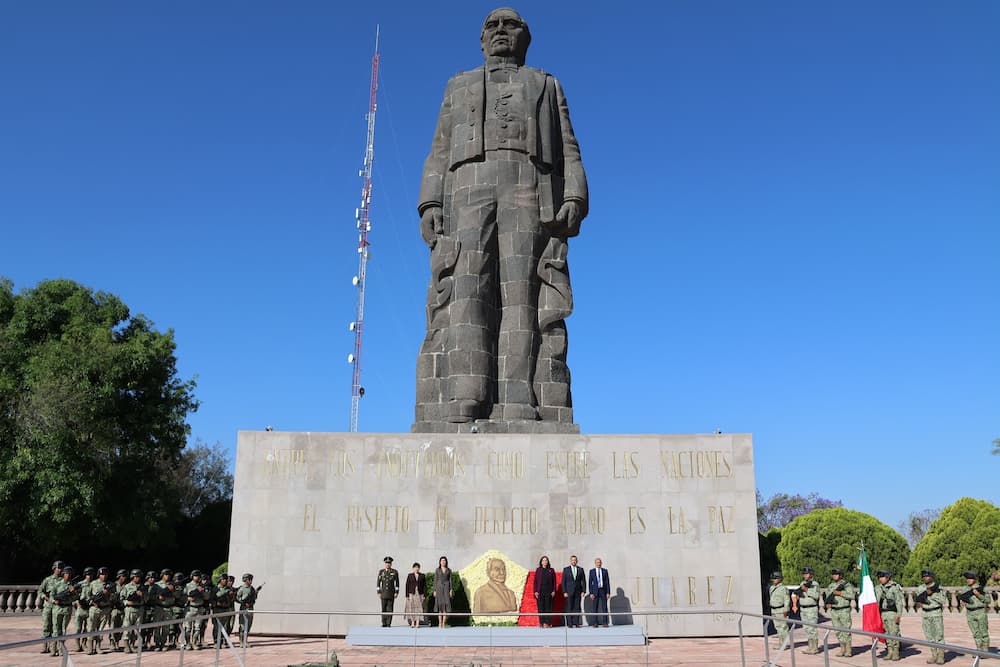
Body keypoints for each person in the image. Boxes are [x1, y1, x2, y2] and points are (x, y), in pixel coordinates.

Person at [413, 6, 589, 428]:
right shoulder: (459, 85)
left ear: (525, 37)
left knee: (522, 292)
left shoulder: (546, 85)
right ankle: (465, 392)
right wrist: (430, 203)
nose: (500, 31)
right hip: (467, 188)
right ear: (481, 40)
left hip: (528, 186)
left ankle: (517, 397)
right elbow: (438, 150)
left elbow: (569, 147)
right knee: (467, 287)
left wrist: (574, 196)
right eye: (491, 26)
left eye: (510, 25)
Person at [915, 569, 947, 665]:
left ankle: (941, 656)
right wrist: (920, 602)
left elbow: (943, 601)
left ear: (932, 577)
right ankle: (934, 655)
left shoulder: (939, 588)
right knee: (929, 636)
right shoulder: (920, 588)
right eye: (924, 576)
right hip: (925, 614)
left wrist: (932, 594)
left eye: (927, 576)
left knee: (939, 636)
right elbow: (918, 602)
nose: (925, 578)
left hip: (936, 613)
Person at [49, 565, 80, 656]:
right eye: (66, 573)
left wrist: (73, 592)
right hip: (57, 608)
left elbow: (76, 597)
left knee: (63, 629)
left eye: (70, 574)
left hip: (67, 608)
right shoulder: (57, 584)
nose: (68, 575)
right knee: (55, 629)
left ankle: (61, 648)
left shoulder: (72, 586)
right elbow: (51, 595)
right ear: (63, 574)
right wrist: (54, 601)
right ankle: (53, 649)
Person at [824, 568, 855, 657]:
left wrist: (840, 593)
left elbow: (852, 596)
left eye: (836, 574)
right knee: (837, 631)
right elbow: (828, 597)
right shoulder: (831, 585)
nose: (834, 576)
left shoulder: (847, 585)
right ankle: (842, 649)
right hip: (834, 610)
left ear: (841, 575)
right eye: (833, 574)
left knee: (846, 631)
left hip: (844, 610)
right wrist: (828, 604)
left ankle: (848, 650)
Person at [875, 569, 904, 662]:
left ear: (887, 577)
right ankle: (889, 651)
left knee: (894, 632)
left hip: (892, 613)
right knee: (886, 633)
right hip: (882, 613)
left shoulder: (894, 587)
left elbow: (899, 602)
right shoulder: (878, 588)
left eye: (882, 577)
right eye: (879, 577)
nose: (881, 579)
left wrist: (899, 615)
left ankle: (895, 652)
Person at [959, 570, 990, 654]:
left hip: (980, 612)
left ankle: (985, 651)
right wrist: (962, 602)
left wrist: (978, 595)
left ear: (974, 579)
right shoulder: (965, 589)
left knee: (984, 632)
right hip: (970, 613)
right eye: (967, 578)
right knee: (975, 633)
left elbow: (988, 600)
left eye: (970, 578)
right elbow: (963, 600)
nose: (968, 580)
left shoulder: (981, 588)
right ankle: (979, 650)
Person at [86, 567, 115, 655]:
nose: (104, 576)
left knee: (101, 629)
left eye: (106, 574)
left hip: (105, 609)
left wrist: (108, 594)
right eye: (102, 574)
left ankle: (98, 647)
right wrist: (92, 602)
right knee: (91, 628)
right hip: (94, 609)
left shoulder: (110, 585)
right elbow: (87, 596)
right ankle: (90, 647)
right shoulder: (93, 584)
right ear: (99, 575)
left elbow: (115, 597)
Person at [38, 560, 64, 655]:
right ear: (54, 568)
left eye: (61, 568)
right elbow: (40, 591)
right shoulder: (48, 580)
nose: (60, 570)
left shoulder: (63, 581)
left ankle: (56, 647)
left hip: (58, 607)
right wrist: (45, 597)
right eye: (58, 568)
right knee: (47, 625)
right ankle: (45, 645)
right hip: (48, 606)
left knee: (57, 627)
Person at [793, 566, 821, 654]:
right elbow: (800, 594)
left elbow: (816, 596)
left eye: (807, 574)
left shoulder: (814, 584)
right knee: (806, 628)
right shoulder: (802, 583)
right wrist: (798, 596)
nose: (805, 575)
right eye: (804, 574)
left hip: (811, 608)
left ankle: (815, 648)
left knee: (812, 628)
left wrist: (807, 590)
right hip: (803, 609)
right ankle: (810, 647)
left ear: (811, 574)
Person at [120, 569, 145, 654]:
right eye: (136, 576)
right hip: (130, 609)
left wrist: (143, 596)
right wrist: (127, 602)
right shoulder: (127, 586)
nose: (138, 578)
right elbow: (121, 599)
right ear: (132, 577)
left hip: (139, 609)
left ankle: (132, 644)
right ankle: (126, 646)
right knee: (127, 627)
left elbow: (147, 599)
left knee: (137, 628)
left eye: (139, 577)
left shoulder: (143, 586)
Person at [72, 566, 95, 652]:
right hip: (80, 608)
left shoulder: (94, 584)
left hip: (89, 608)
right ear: (85, 575)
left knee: (87, 628)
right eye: (88, 574)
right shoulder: (80, 584)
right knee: (78, 628)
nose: (89, 576)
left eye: (91, 574)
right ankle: (77, 644)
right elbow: (75, 596)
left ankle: (84, 643)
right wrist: (77, 604)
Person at [183, 569, 208, 649]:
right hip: (190, 608)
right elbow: (182, 596)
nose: (197, 577)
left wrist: (203, 592)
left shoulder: (202, 586)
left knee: (197, 628)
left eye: (198, 576)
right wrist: (188, 598)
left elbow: (207, 597)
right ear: (192, 576)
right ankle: (187, 643)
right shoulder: (188, 585)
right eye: (195, 576)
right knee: (188, 628)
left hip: (199, 608)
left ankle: (194, 642)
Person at [767, 571, 790, 649]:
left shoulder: (783, 588)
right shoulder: (772, 588)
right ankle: (781, 643)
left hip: (781, 609)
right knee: (777, 627)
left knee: (783, 627)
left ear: (780, 579)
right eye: (773, 579)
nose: (774, 580)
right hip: (774, 609)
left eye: (775, 578)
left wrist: (786, 609)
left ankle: (784, 644)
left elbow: (787, 599)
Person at [562, 555, 586, 628]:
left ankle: (576, 623)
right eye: (572, 560)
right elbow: (563, 582)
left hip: (578, 592)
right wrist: (564, 592)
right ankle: (570, 623)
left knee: (577, 607)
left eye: (575, 560)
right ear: (570, 561)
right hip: (569, 592)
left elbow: (583, 581)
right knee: (569, 607)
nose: (574, 561)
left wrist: (583, 591)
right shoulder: (566, 569)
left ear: (577, 561)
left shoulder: (580, 569)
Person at [235, 573, 259, 647]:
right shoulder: (241, 588)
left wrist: (256, 593)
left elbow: (254, 598)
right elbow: (237, 598)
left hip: (250, 608)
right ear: (245, 580)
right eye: (249, 579)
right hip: (244, 608)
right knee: (242, 625)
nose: (251, 581)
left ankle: (245, 640)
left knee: (249, 624)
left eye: (251, 579)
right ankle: (241, 641)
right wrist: (243, 603)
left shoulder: (252, 588)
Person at [533, 555, 557, 627]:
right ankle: (542, 622)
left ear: (548, 562)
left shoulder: (551, 570)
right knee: (541, 607)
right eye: (543, 560)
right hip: (540, 591)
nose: (545, 562)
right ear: (541, 562)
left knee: (548, 607)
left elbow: (554, 582)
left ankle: (548, 623)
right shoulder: (538, 570)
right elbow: (535, 582)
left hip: (549, 592)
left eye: (546, 560)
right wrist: (535, 591)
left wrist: (553, 591)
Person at [377, 556, 400, 627]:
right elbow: (378, 582)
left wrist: (396, 592)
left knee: (390, 609)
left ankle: (388, 623)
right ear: (385, 564)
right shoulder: (381, 572)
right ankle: (383, 623)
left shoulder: (394, 572)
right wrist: (378, 592)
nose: (388, 564)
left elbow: (397, 583)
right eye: (386, 563)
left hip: (391, 593)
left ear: (391, 564)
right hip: (383, 593)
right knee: (383, 608)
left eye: (389, 563)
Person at [588, 558, 610, 626]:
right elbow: (590, 583)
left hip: (603, 590)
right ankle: (595, 622)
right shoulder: (592, 571)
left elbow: (607, 582)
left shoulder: (605, 571)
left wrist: (608, 592)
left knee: (604, 607)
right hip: (595, 591)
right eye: (597, 562)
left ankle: (605, 622)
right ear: (595, 563)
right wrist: (591, 593)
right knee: (595, 607)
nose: (599, 563)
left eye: (600, 562)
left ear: (601, 563)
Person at [405, 562, 427, 628]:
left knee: (419, 609)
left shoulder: (422, 575)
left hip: (419, 594)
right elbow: (407, 585)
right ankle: (412, 622)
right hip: (411, 594)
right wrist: (407, 595)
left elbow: (424, 586)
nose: (416, 569)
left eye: (418, 567)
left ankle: (417, 623)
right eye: (415, 567)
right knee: (411, 608)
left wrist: (424, 595)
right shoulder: (410, 575)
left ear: (419, 568)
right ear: (413, 568)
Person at [110, 568, 128, 651]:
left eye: (125, 576)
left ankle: (117, 641)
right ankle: (112, 642)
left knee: (121, 626)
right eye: (123, 576)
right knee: (113, 626)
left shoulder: (126, 586)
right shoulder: (113, 585)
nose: (124, 578)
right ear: (119, 576)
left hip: (123, 609)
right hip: (114, 609)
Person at [433, 556, 453, 627]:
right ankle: (439, 622)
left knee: (446, 604)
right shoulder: (437, 570)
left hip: (446, 588)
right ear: (440, 562)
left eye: (444, 561)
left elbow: (450, 580)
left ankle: (444, 623)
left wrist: (451, 590)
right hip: (439, 588)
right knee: (439, 605)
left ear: (446, 562)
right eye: (442, 561)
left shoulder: (449, 570)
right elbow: (435, 580)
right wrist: (434, 590)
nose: (443, 562)